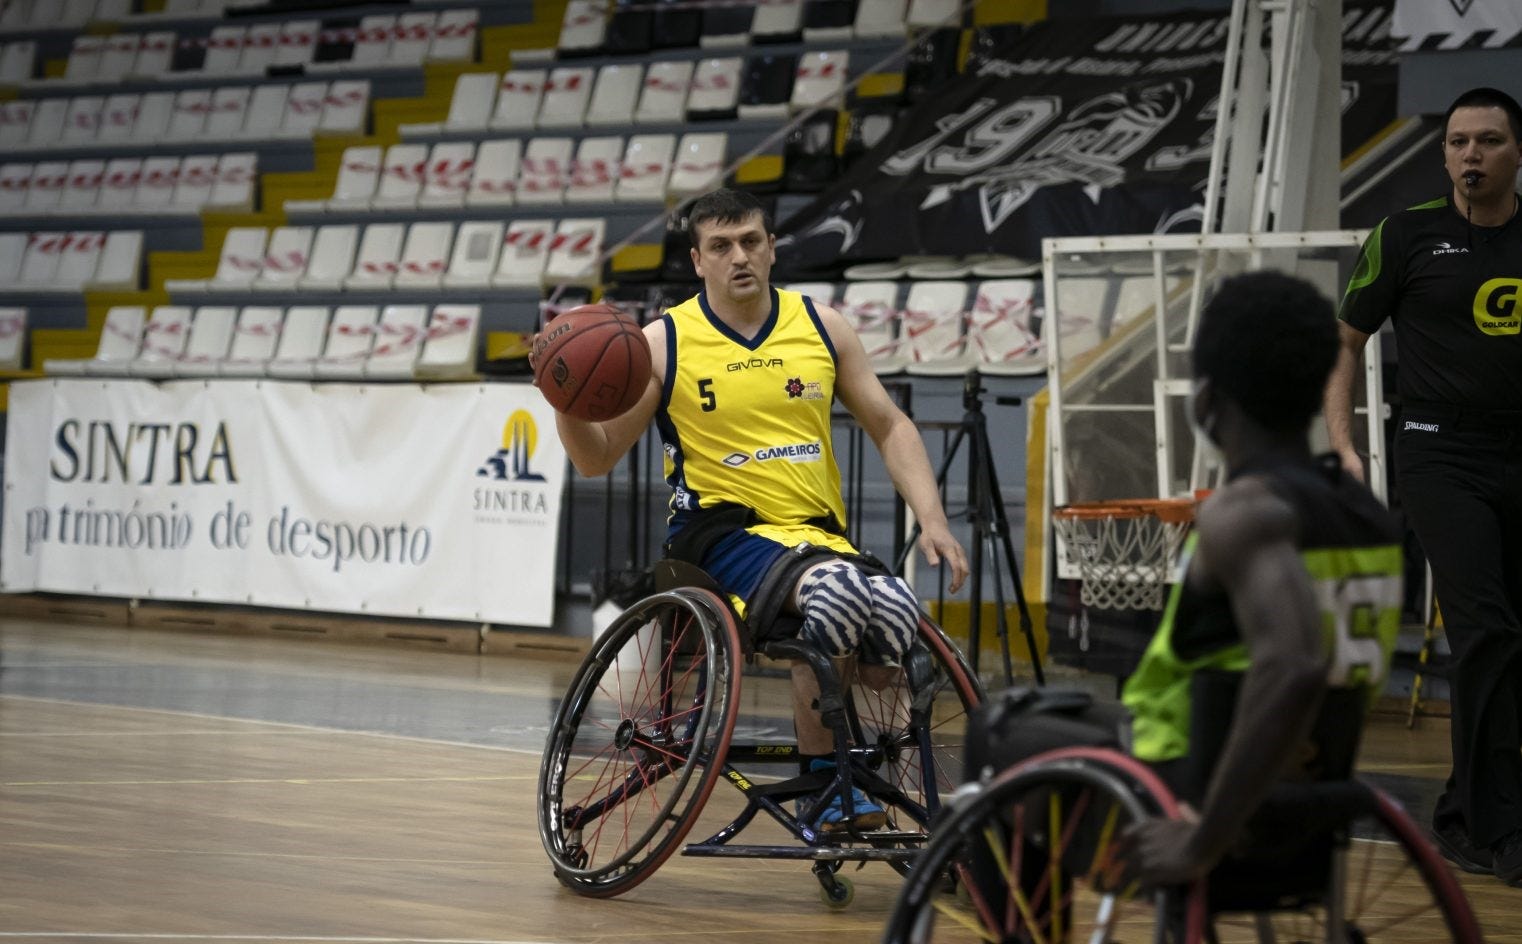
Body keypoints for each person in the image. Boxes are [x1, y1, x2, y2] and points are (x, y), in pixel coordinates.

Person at [537, 187, 970, 832]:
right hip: (718, 538)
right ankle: (827, 783)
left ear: (770, 249)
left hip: (815, 537)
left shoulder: (822, 326)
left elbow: (889, 425)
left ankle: (861, 756)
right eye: (721, 246)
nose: (738, 256)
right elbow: (597, 458)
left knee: (898, 603)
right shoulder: (664, 342)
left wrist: (933, 518)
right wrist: (567, 400)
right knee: (837, 597)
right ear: (698, 260)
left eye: (749, 242)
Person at [967, 270, 1403, 892]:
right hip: (1314, 797)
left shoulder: (1247, 513)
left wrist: (1203, 838)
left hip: (1193, 790)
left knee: (997, 727)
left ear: (1206, 400)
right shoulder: (1369, 519)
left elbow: (1295, 662)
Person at [1324, 85, 1522, 886]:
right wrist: (1346, 449)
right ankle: (1481, 825)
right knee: (1488, 630)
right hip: (1439, 455)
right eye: (1458, 142)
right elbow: (1342, 344)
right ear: (1443, 155)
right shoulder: (1405, 236)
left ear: (1518, 152)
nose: (1471, 154)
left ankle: (1469, 805)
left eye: (1489, 141)